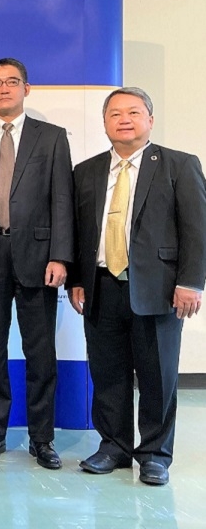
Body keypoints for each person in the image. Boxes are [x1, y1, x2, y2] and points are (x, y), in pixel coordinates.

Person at [68, 87, 206, 486]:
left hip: (159, 289)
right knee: (108, 372)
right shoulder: (87, 171)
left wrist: (191, 282)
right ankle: (113, 446)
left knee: (157, 375)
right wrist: (78, 279)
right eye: (114, 113)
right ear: (105, 122)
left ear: (150, 119)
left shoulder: (179, 165)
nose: (123, 119)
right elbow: (80, 232)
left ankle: (155, 455)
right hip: (101, 286)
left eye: (133, 112)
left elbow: (196, 229)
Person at [0, 57, 73, 469]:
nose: (4, 88)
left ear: (27, 88)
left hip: (39, 259)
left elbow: (62, 199)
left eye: (12, 81)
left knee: (40, 354)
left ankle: (43, 439)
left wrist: (60, 255)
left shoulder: (52, 137)